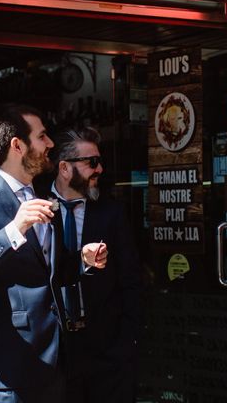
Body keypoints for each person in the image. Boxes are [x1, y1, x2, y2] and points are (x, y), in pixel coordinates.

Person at [0, 104, 104, 402]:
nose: (50, 144)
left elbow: (49, 272)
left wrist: (82, 258)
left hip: (56, 363)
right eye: (42, 136)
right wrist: (12, 231)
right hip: (10, 368)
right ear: (18, 145)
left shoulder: (42, 198)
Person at [48, 128, 143, 403]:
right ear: (64, 168)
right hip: (53, 351)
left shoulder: (111, 213)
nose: (99, 169)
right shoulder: (34, 207)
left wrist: (128, 343)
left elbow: (131, 279)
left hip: (107, 352)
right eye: (91, 162)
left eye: (99, 161)